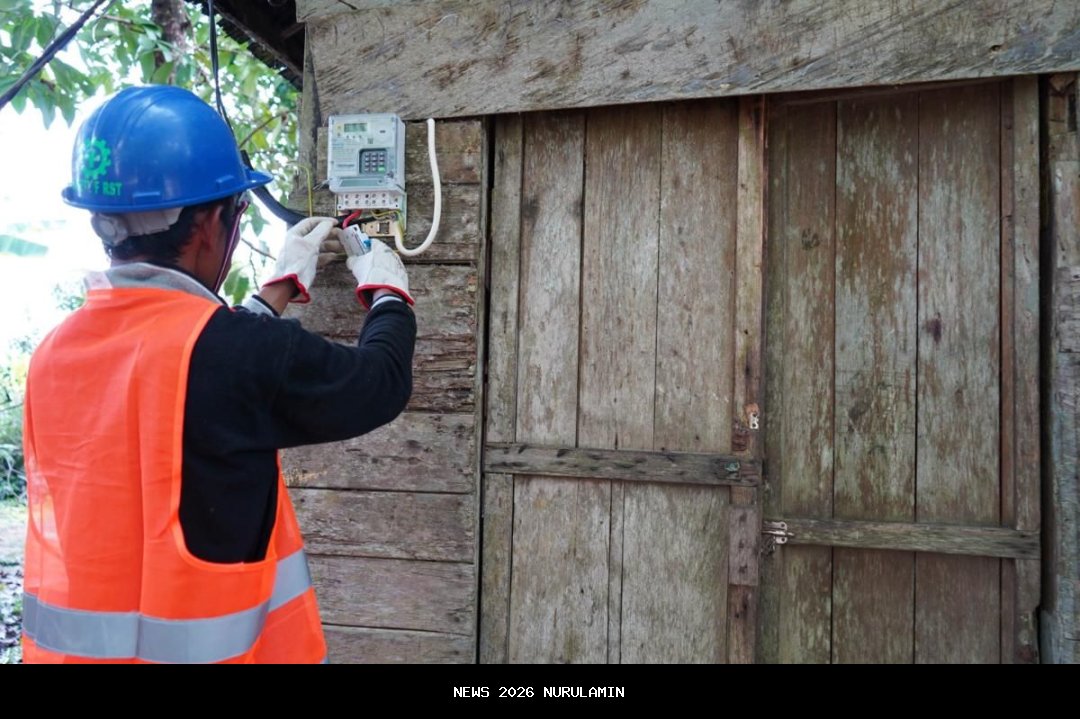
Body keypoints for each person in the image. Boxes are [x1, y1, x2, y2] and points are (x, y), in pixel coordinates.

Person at [20, 85, 416, 663]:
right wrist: (389, 294)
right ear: (210, 223)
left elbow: (182, 380)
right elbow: (377, 384)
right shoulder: (238, 353)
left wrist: (275, 292)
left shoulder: (54, 354)